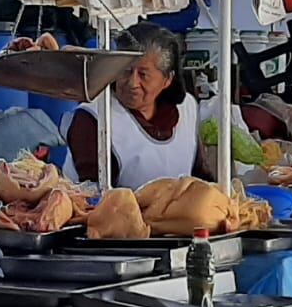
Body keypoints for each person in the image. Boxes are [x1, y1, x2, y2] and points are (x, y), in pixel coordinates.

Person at [64, 22, 201, 187]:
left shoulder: (188, 108)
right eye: (126, 71)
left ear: (167, 79)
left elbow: (199, 174)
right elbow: (92, 193)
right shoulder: (93, 117)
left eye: (143, 75)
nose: (132, 83)